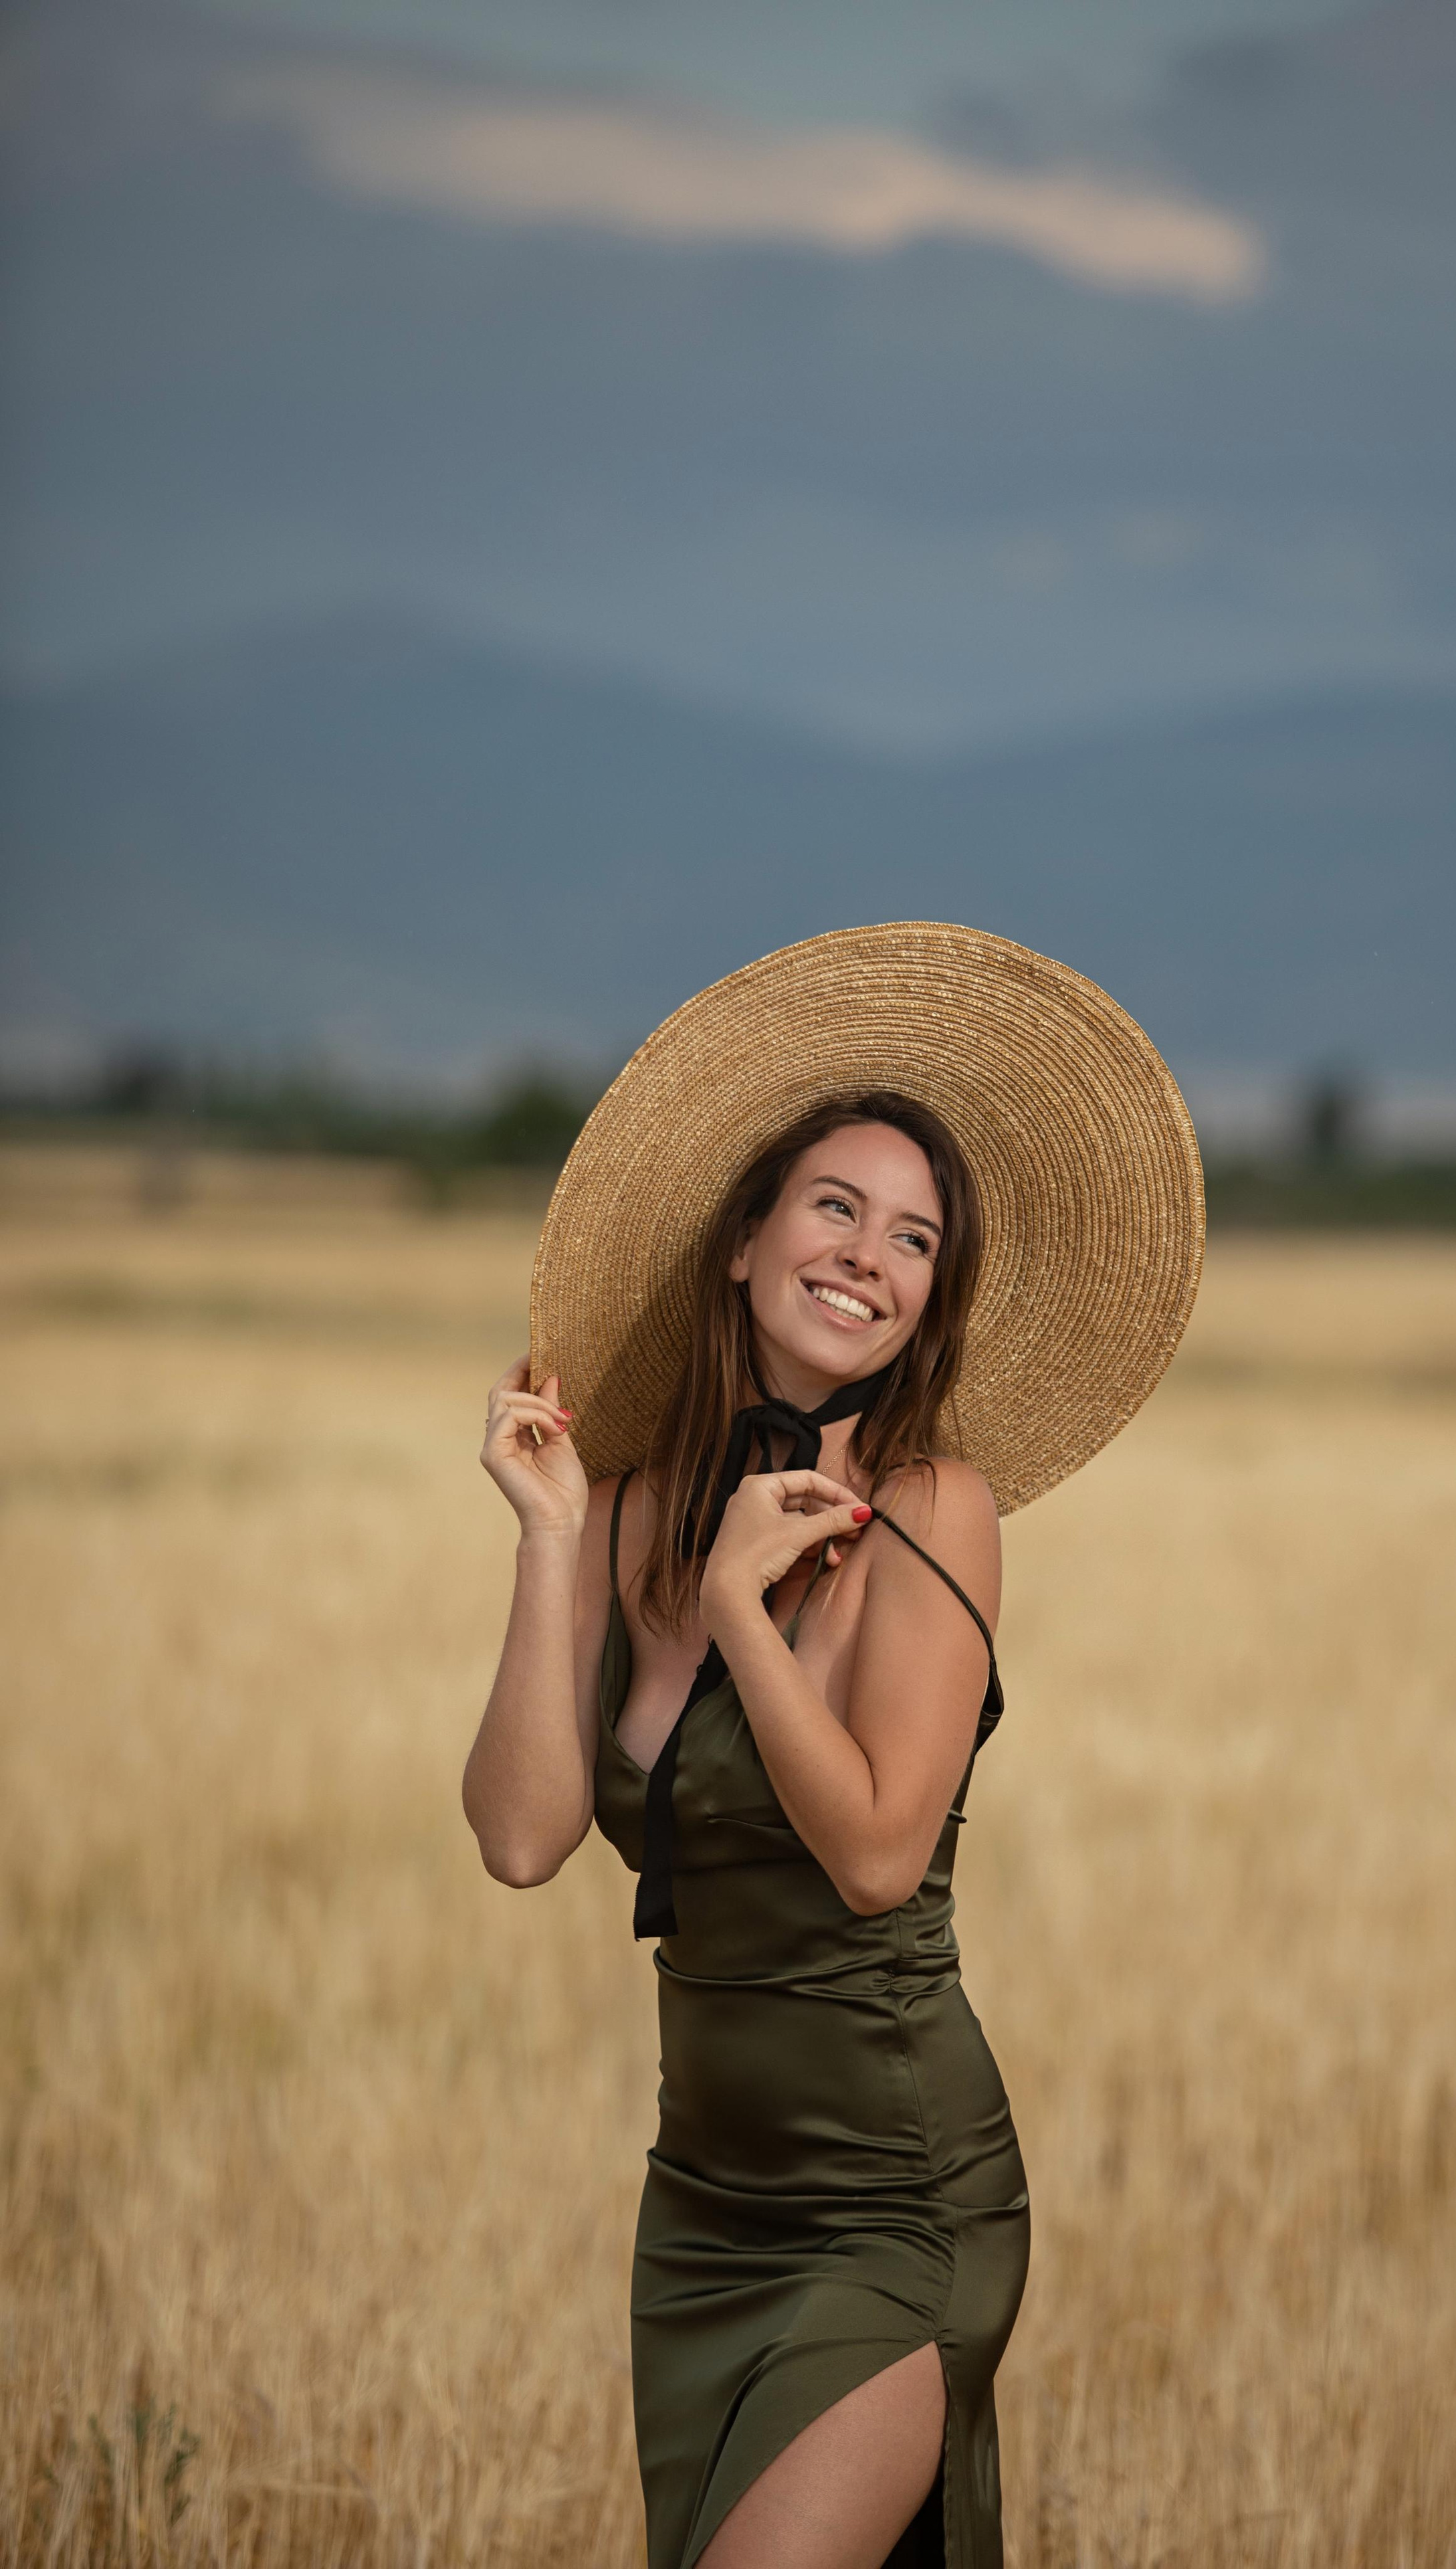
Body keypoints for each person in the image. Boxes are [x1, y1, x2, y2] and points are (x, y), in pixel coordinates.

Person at [460, 924, 1203, 2569]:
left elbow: (873, 1857)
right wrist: (545, 1539)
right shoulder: (630, 1514)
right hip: (700, 2212)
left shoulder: (936, 1511)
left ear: (932, 1297)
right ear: (744, 1241)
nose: (869, 1254)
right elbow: (520, 1838)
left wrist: (738, 1607)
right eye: (835, 1207)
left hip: (892, 2205)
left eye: (915, 1238)